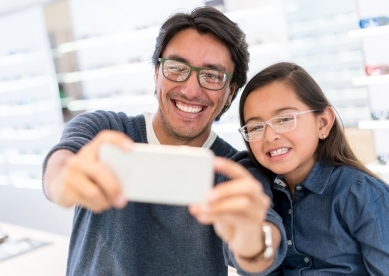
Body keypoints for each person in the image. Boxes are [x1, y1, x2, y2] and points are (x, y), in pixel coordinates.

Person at [42, 6, 287, 276]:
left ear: (230, 94)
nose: (191, 90)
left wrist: (253, 242)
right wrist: (63, 180)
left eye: (212, 76)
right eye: (176, 68)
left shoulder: (235, 171)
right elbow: (59, 166)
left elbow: (264, 246)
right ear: (156, 73)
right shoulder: (104, 131)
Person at [237, 61, 389, 275]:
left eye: (284, 119)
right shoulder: (265, 196)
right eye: (255, 127)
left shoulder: (361, 193)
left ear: (323, 123)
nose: (270, 136)